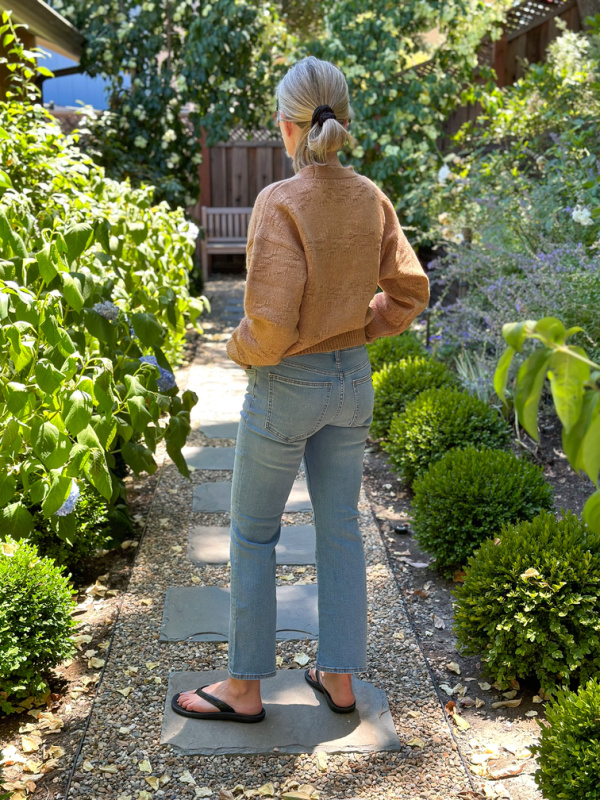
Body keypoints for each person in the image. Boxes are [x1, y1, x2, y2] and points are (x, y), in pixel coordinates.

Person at [172, 55, 429, 723]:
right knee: (340, 528)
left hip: (288, 387)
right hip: (352, 383)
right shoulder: (371, 196)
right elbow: (409, 290)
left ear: (287, 127)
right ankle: (339, 680)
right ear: (342, 121)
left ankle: (244, 690)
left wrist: (235, 351)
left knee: (254, 534)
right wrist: (366, 330)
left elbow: (270, 325)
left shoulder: (279, 202)